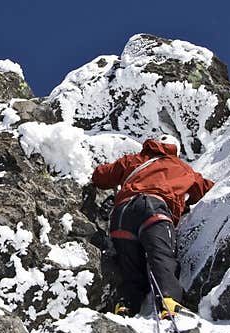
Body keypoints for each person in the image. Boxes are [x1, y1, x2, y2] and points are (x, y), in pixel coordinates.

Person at [91, 135, 214, 318]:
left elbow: (100, 176)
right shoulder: (181, 168)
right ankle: (168, 300)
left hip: (122, 214)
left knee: (129, 263)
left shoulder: (133, 160)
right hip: (153, 208)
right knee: (160, 255)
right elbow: (205, 189)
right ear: (175, 151)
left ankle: (127, 304)